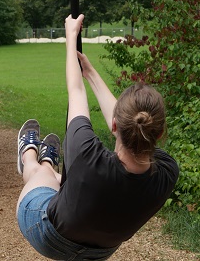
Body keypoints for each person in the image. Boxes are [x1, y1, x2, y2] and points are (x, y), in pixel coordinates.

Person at [16, 14, 179, 260]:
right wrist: (90, 73)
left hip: (48, 235)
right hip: (99, 252)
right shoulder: (167, 172)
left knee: (42, 175)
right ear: (160, 132)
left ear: (114, 124)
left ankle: (29, 156)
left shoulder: (87, 156)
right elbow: (133, 127)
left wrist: (71, 37)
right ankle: (49, 162)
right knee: (65, 180)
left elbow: (75, 90)